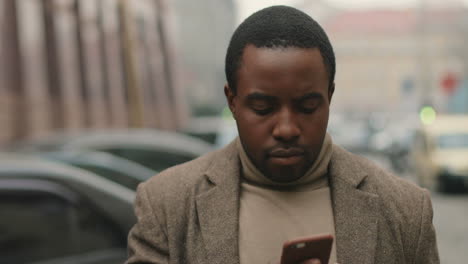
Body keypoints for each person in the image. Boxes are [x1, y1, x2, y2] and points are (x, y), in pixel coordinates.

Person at [126, 5, 439, 264]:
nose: (287, 129)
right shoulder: (166, 205)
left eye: (307, 107)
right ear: (232, 100)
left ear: (329, 97)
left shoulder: (405, 211)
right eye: (263, 108)